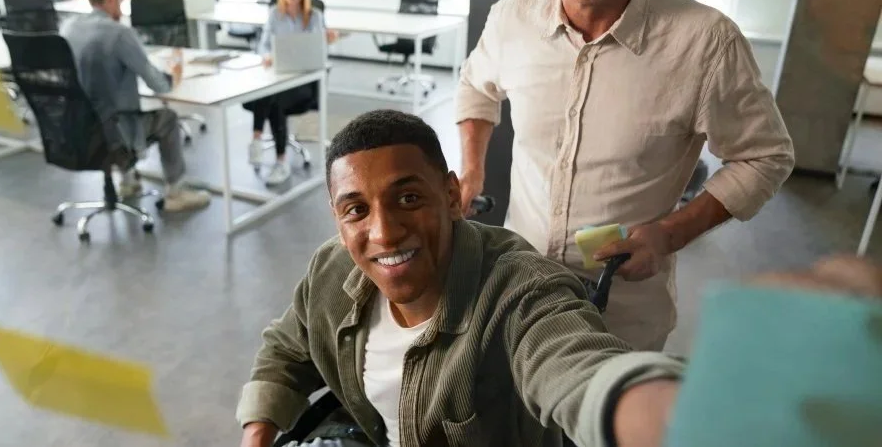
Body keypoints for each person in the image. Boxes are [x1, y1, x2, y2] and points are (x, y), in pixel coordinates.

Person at [236, 110, 881, 447]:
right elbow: (288, 349)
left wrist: (709, 417)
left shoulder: (519, 290)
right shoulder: (330, 271)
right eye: (356, 210)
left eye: (409, 198)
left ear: (454, 194)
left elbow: (577, 369)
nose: (381, 232)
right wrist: (259, 429)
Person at [455, 0, 796, 351]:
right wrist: (472, 172)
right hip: (516, 292)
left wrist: (669, 234)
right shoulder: (512, 18)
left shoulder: (705, 42)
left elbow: (765, 156)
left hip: (620, 318)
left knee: (600, 425)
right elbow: (476, 85)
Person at [61, 0, 211, 213]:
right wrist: (174, 75)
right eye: (120, 0)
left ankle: (129, 182)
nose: (122, 7)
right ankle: (176, 192)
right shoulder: (119, 34)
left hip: (78, 128)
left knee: (111, 106)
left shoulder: (69, 27)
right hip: (115, 132)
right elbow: (157, 85)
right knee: (168, 118)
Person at [245, 0, 339, 186]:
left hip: (305, 83)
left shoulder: (315, 16)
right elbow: (264, 46)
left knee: (275, 100)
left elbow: (320, 49)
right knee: (266, 92)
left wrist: (328, 40)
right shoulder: (275, 15)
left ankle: (280, 161)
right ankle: (258, 142)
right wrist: (267, 56)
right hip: (278, 76)